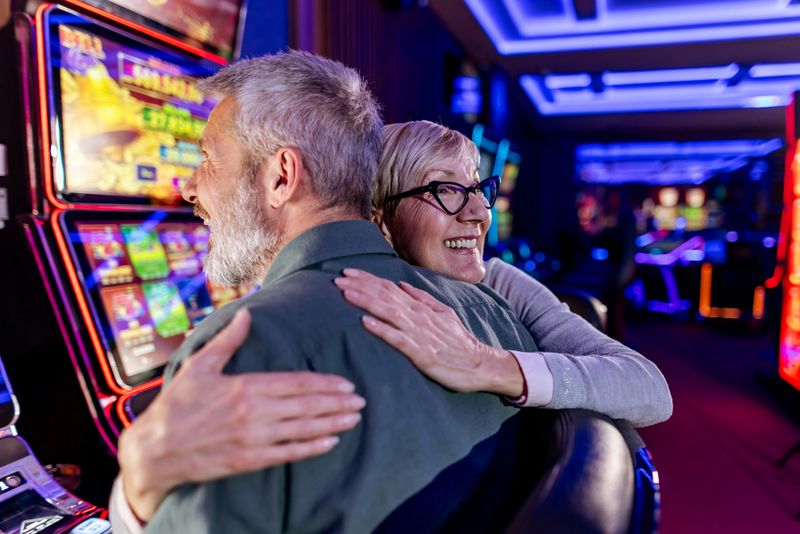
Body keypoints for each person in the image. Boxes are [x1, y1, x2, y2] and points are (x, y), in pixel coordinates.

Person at [111, 116, 672, 531]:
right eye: (445, 192)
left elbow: (651, 389)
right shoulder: (340, 309)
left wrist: (492, 366)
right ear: (377, 214)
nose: (478, 213)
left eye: (478, 190)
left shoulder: (497, 285)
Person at [114, 50, 540, 534]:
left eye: (209, 159)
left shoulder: (235, 351)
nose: (191, 187)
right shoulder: (491, 311)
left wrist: (135, 489)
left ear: (281, 177)